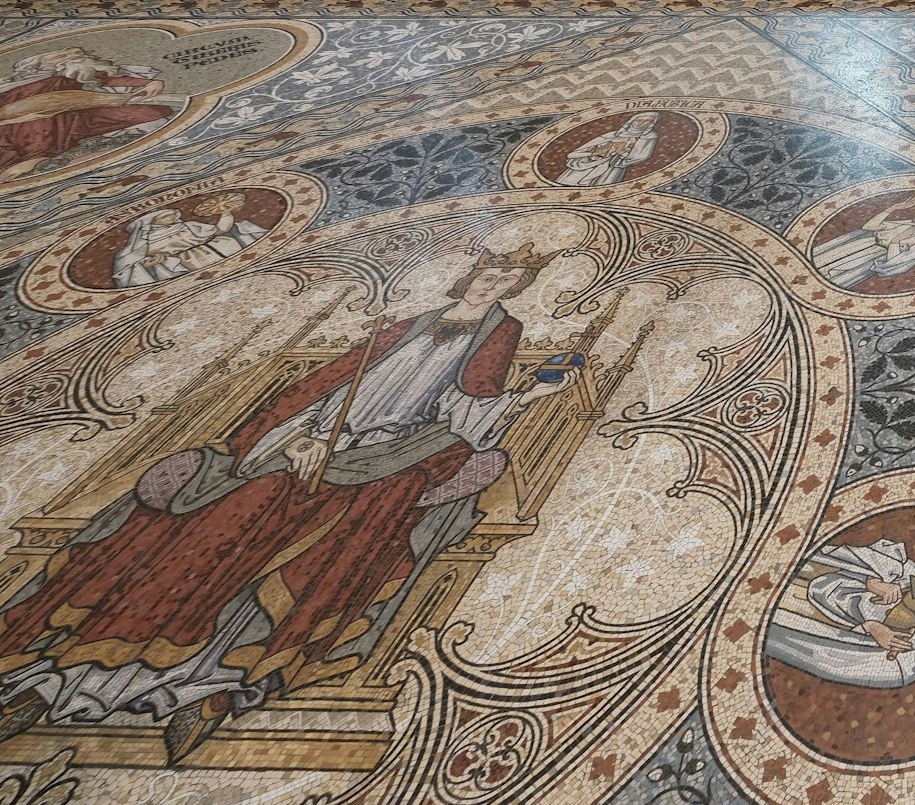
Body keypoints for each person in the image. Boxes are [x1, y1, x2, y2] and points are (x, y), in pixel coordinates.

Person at [0, 244, 573, 764]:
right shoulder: (402, 326)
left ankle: (219, 680)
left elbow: (469, 407)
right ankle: (70, 671)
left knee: (360, 521)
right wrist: (299, 436)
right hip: (308, 440)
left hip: (393, 454)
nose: (492, 282)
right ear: (473, 273)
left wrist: (529, 394)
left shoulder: (502, 332)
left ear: (511, 291)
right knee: (233, 515)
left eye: (506, 279)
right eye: (490, 270)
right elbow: (316, 388)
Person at [765, 538, 915, 690]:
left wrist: (872, 628)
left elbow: (835, 657)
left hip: (805, 614)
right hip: (822, 575)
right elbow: (893, 563)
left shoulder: (907, 664)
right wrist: (874, 581)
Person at [0, 47, 177, 181]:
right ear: (37, 61)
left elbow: (105, 80)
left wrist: (151, 82)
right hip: (16, 127)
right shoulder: (15, 83)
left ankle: (39, 151)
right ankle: (37, 156)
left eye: (73, 55)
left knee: (154, 112)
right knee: (43, 115)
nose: (68, 58)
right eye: (61, 55)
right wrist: (16, 117)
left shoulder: (70, 75)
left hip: (74, 116)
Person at [810, 201, 915, 289]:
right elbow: (869, 227)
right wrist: (891, 208)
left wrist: (898, 241)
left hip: (869, 259)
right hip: (859, 245)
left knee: (828, 278)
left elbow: (901, 261)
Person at [110, 195, 269, 287]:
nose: (172, 217)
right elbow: (126, 266)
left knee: (240, 230)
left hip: (215, 253)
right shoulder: (143, 241)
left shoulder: (188, 226)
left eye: (173, 214)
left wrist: (226, 213)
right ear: (152, 221)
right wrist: (148, 264)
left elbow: (219, 230)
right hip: (183, 265)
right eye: (166, 216)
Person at [555, 113, 661, 186]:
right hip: (585, 165)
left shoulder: (648, 136)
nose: (641, 123)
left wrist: (622, 153)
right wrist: (595, 153)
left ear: (651, 124)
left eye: (647, 121)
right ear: (631, 121)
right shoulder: (611, 135)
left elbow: (641, 156)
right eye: (639, 120)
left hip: (612, 169)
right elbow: (573, 154)